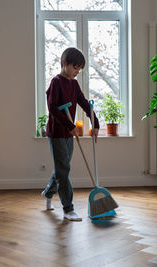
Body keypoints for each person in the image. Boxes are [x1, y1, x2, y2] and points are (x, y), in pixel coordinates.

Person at [41, 47, 99, 221]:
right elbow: (52, 109)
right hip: (57, 133)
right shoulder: (56, 82)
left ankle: (47, 193)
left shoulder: (73, 84)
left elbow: (82, 101)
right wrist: (69, 125)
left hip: (69, 133)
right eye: (75, 68)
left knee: (62, 168)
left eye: (80, 69)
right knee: (64, 169)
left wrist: (95, 122)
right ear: (64, 63)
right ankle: (68, 209)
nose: (77, 72)